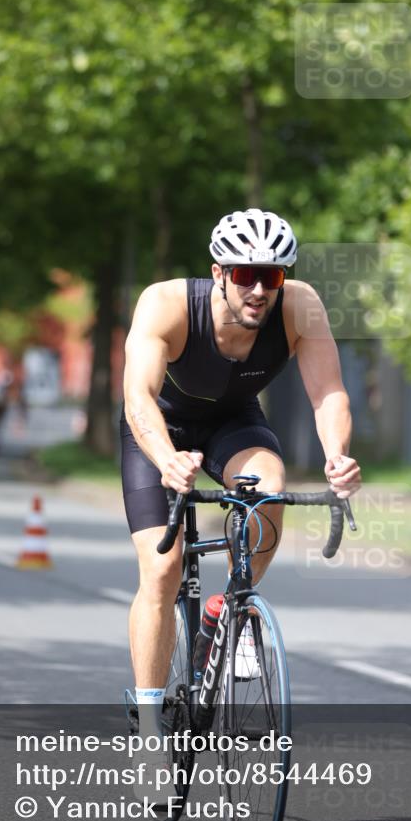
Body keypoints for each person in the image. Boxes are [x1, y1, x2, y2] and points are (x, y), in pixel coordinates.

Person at [122, 209, 361, 760]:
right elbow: (138, 397)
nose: (258, 290)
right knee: (162, 568)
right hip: (158, 428)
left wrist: (337, 457)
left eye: (271, 276)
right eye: (246, 275)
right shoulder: (166, 304)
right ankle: (151, 729)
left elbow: (329, 393)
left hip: (233, 422)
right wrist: (166, 460)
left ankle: (233, 608)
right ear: (219, 273)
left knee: (268, 489)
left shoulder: (300, 307)